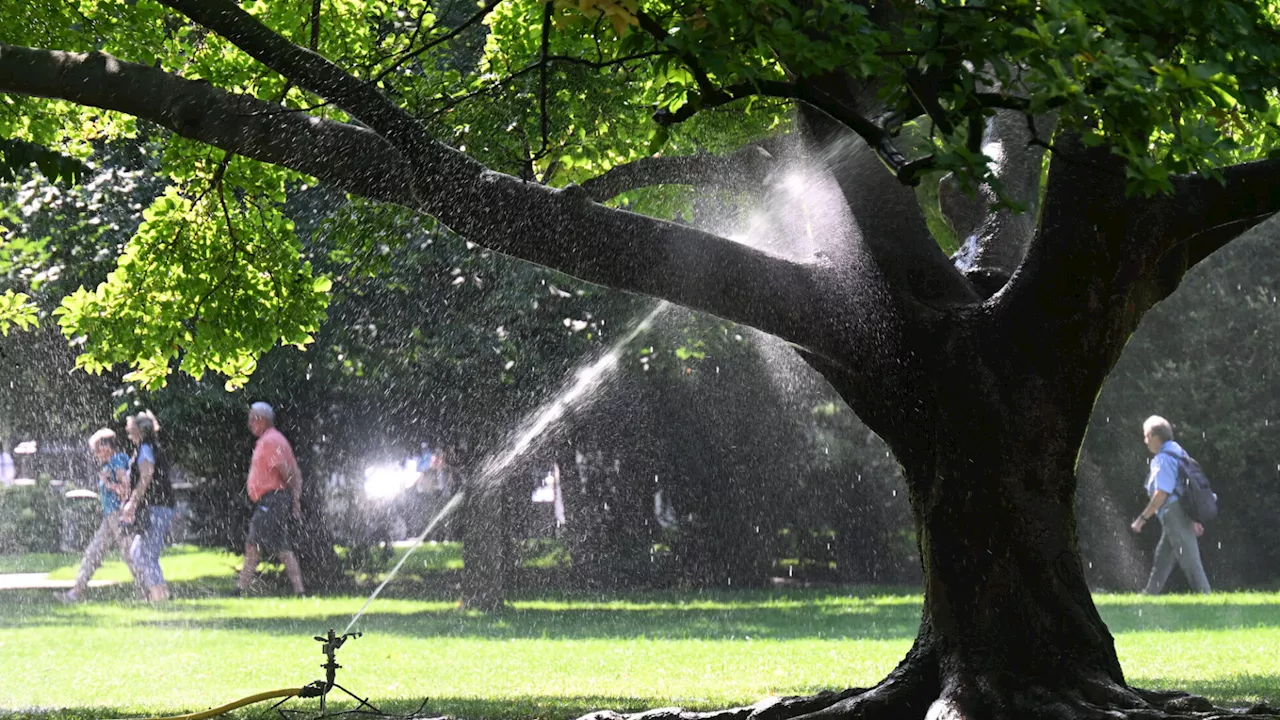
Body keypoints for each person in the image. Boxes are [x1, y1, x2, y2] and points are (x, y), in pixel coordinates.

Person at [1130, 415, 1211, 594]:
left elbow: (1161, 494)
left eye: (1146, 436)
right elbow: (1188, 487)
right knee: (1163, 558)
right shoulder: (1178, 451)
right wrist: (1194, 519)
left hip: (1173, 513)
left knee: (1190, 561)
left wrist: (1141, 519)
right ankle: (1150, 594)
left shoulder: (1163, 459)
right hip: (1181, 513)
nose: (1145, 441)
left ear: (1154, 436)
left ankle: (1207, 599)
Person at [58, 429, 139, 602]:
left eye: (97, 449)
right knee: (93, 552)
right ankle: (76, 592)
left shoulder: (117, 461)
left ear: (107, 447)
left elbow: (125, 490)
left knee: (129, 553)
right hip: (110, 517)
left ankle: (150, 590)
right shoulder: (112, 463)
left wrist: (108, 483)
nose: (95, 454)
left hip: (118, 515)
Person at [236, 402, 305, 596]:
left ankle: (240, 589)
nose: (249, 423)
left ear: (262, 419)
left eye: (252, 418)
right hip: (274, 499)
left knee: (253, 544)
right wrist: (293, 498)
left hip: (272, 499)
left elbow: (286, 470)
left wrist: (293, 497)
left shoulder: (271, 441)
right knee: (282, 547)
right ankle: (300, 591)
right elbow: (294, 470)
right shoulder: (271, 439)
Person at [120, 412, 176, 602]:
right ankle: (162, 594)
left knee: (144, 554)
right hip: (160, 506)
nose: (129, 434)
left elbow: (146, 476)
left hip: (157, 506)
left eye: (131, 430)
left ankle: (158, 596)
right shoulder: (149, 448)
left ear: (140, 431)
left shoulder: (145, 448)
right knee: (140, 552)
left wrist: (132, 503)